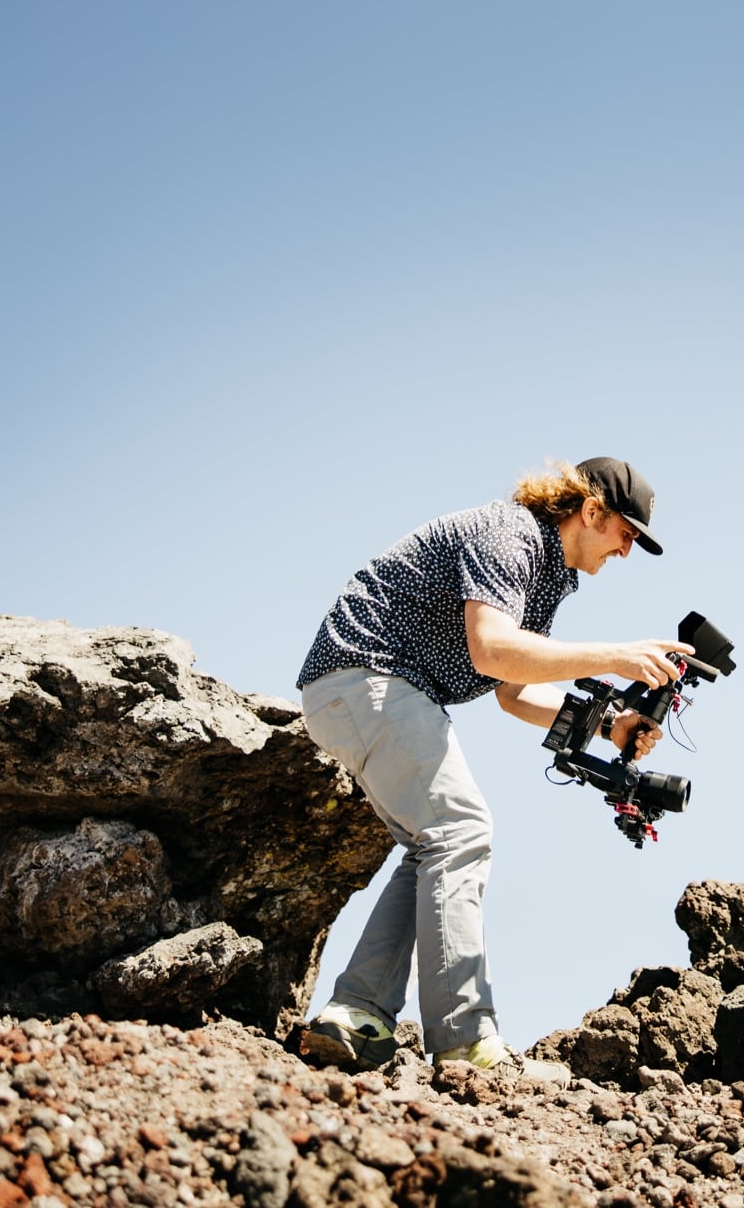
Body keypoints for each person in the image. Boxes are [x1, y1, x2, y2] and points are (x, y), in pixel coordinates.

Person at [294, 457, 690, 1078]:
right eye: (625, 533)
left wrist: (611, 724)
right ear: (590, 511)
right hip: (369, 677)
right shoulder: (510, 534)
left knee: (433, 845)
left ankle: (356, 1014)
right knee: (462, 832)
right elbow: (493, 647)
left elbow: (512, 688)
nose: (627, 551)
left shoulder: (550, 574)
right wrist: (617, 656)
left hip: (363, 690)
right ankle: (466, 1042)